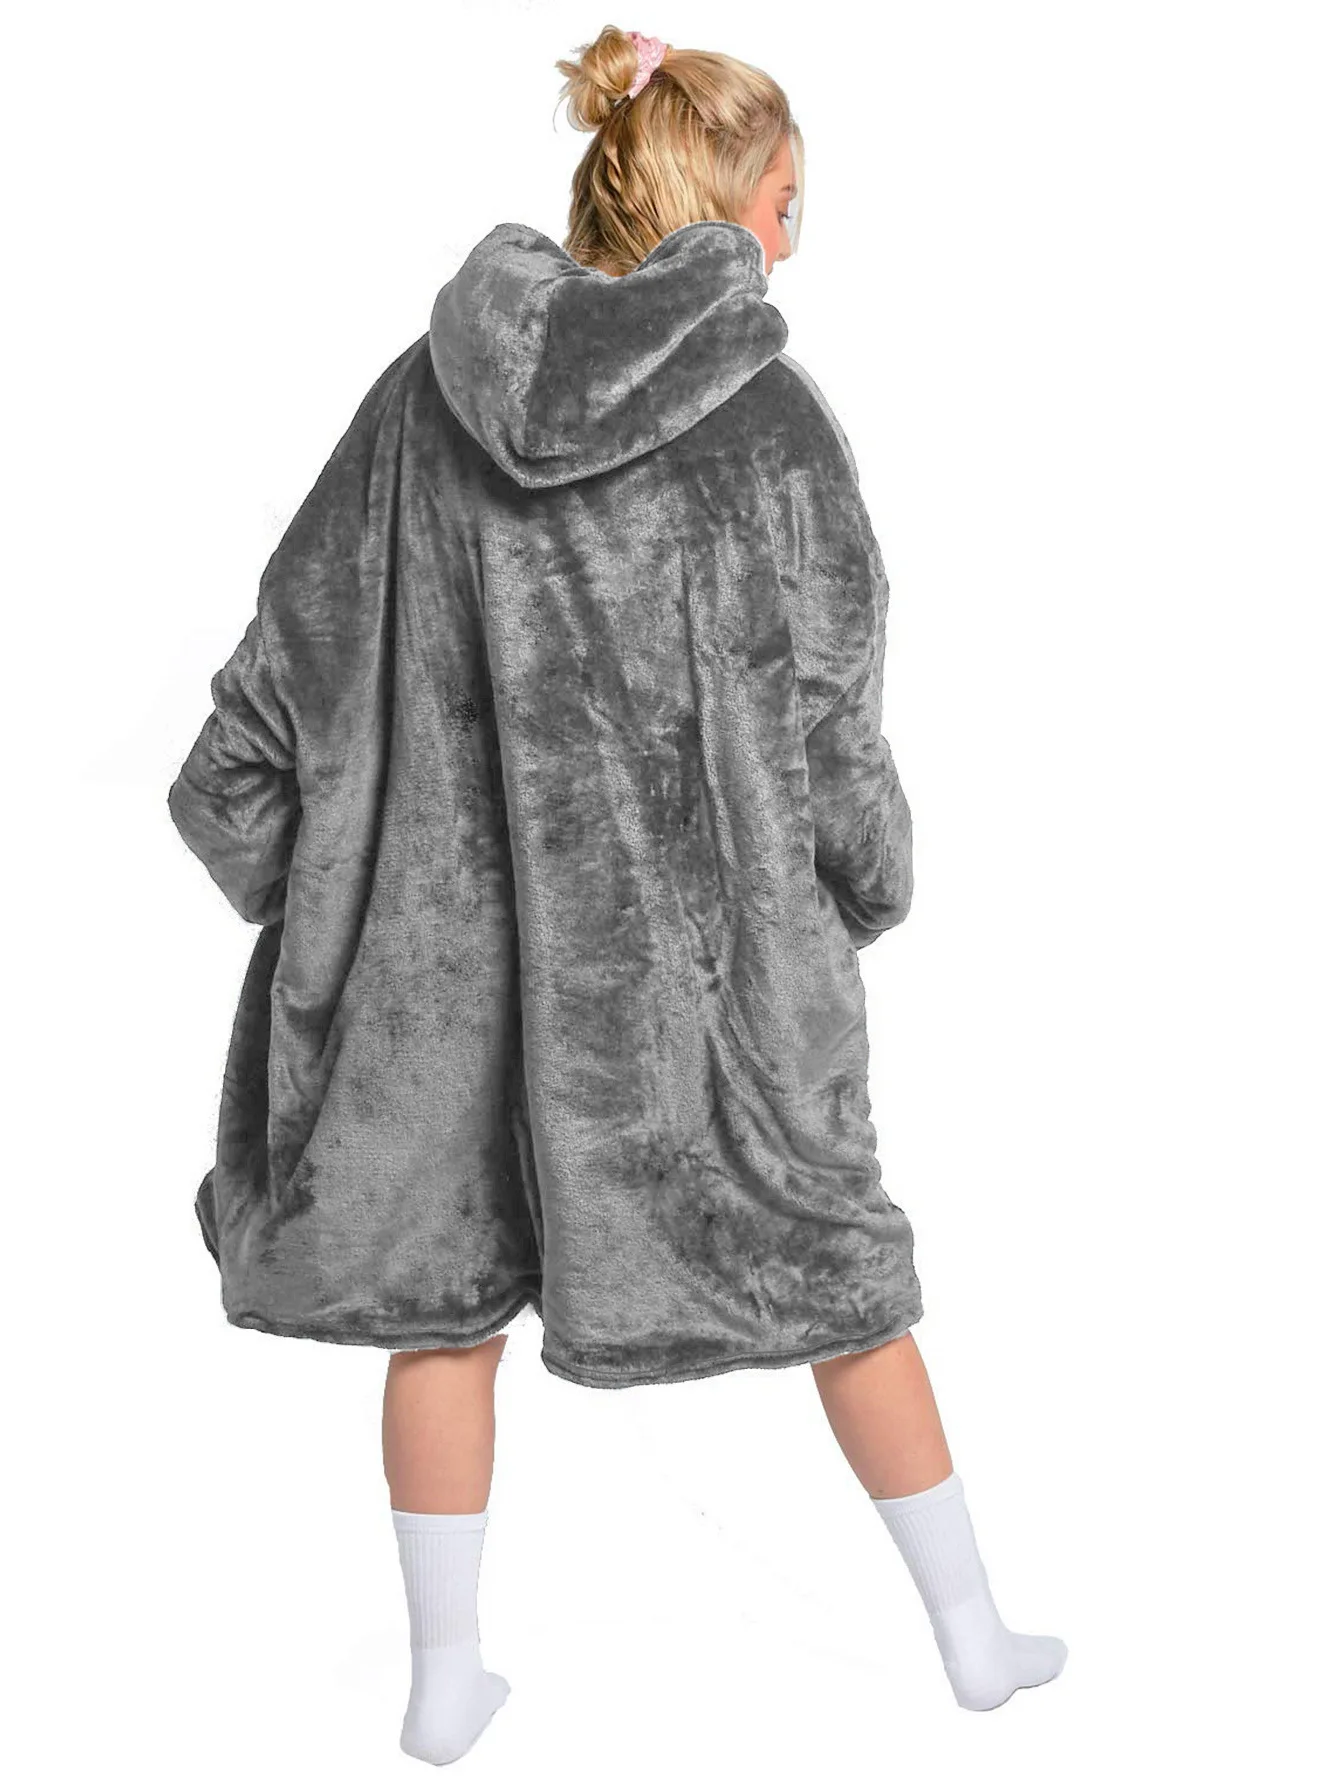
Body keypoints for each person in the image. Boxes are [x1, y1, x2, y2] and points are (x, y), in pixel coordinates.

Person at [167, 24, 1066, 1767]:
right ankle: (973, 1642)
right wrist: (863, 884)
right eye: (791, 201)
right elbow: (830, 716)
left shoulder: (419, 399)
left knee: (439, 1307)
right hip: (704, 998)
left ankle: (443, 1685)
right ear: (731, 205)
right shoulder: (773, 423)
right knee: (842, 1285)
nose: (798, 236)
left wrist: (300, 885)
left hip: (444, 985)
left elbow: (282, 676)